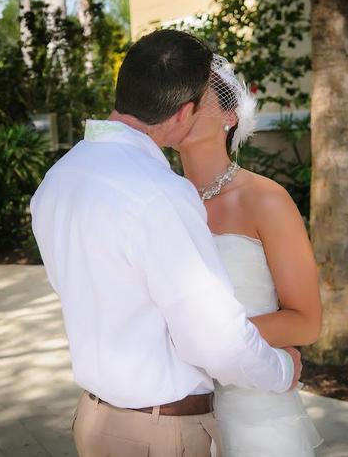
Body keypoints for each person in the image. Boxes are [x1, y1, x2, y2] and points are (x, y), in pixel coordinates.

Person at [30, 29, 302, 457]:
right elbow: (212, 339)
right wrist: (281, 369)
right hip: (158, 430)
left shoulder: (57, 179)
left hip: (95, 419)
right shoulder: (161, 193)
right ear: (184, 112)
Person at [176, 54, 324, 456]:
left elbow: (306, 322)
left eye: (195, 97)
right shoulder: (162, 200)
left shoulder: (266, 199)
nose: (181, 107)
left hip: (255, 413)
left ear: (231, 115)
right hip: (177, 410)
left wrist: (205, 341)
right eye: (174, 97)